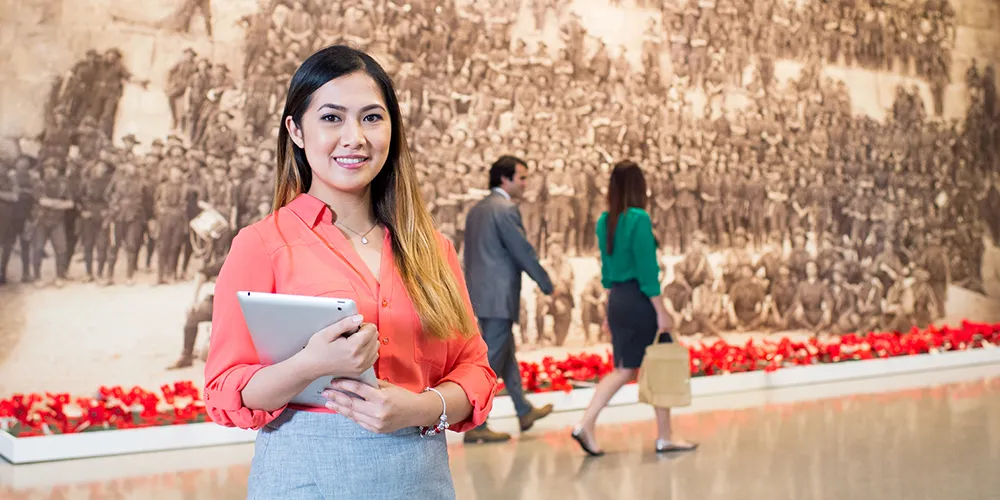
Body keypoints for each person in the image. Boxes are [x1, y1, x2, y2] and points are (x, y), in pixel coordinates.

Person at [203, 45, 497, 500]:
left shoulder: (431, 249)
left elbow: (474, 371)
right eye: (331, 118)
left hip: (420, 479)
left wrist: (419, 407)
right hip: (304, 480)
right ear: (296, 131)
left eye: (372, 118)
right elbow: (225, 391)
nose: (354, 137)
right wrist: (309, 366)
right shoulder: (261, 245)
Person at [572, 160, 697, 456]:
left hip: (618, 299)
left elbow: (606, 272)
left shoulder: (605, 221)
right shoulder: (639, 218)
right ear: (639, 186)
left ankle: (587, 424)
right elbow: (647, 271)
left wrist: (607, 310)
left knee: (626, 368)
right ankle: (661, 436)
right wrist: (661, 310)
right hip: (640, 300)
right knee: (658, 362)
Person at [462, 155, 555, 444]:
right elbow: (522, 251)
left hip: (482, 294)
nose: (526, 183)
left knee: (506, 355)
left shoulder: (477, 209)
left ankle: (523, 410)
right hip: (500, 296)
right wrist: (547, 283)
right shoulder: (505, 210)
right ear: (505, 178)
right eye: (522, 177)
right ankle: (477, 423)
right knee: (491, 360)